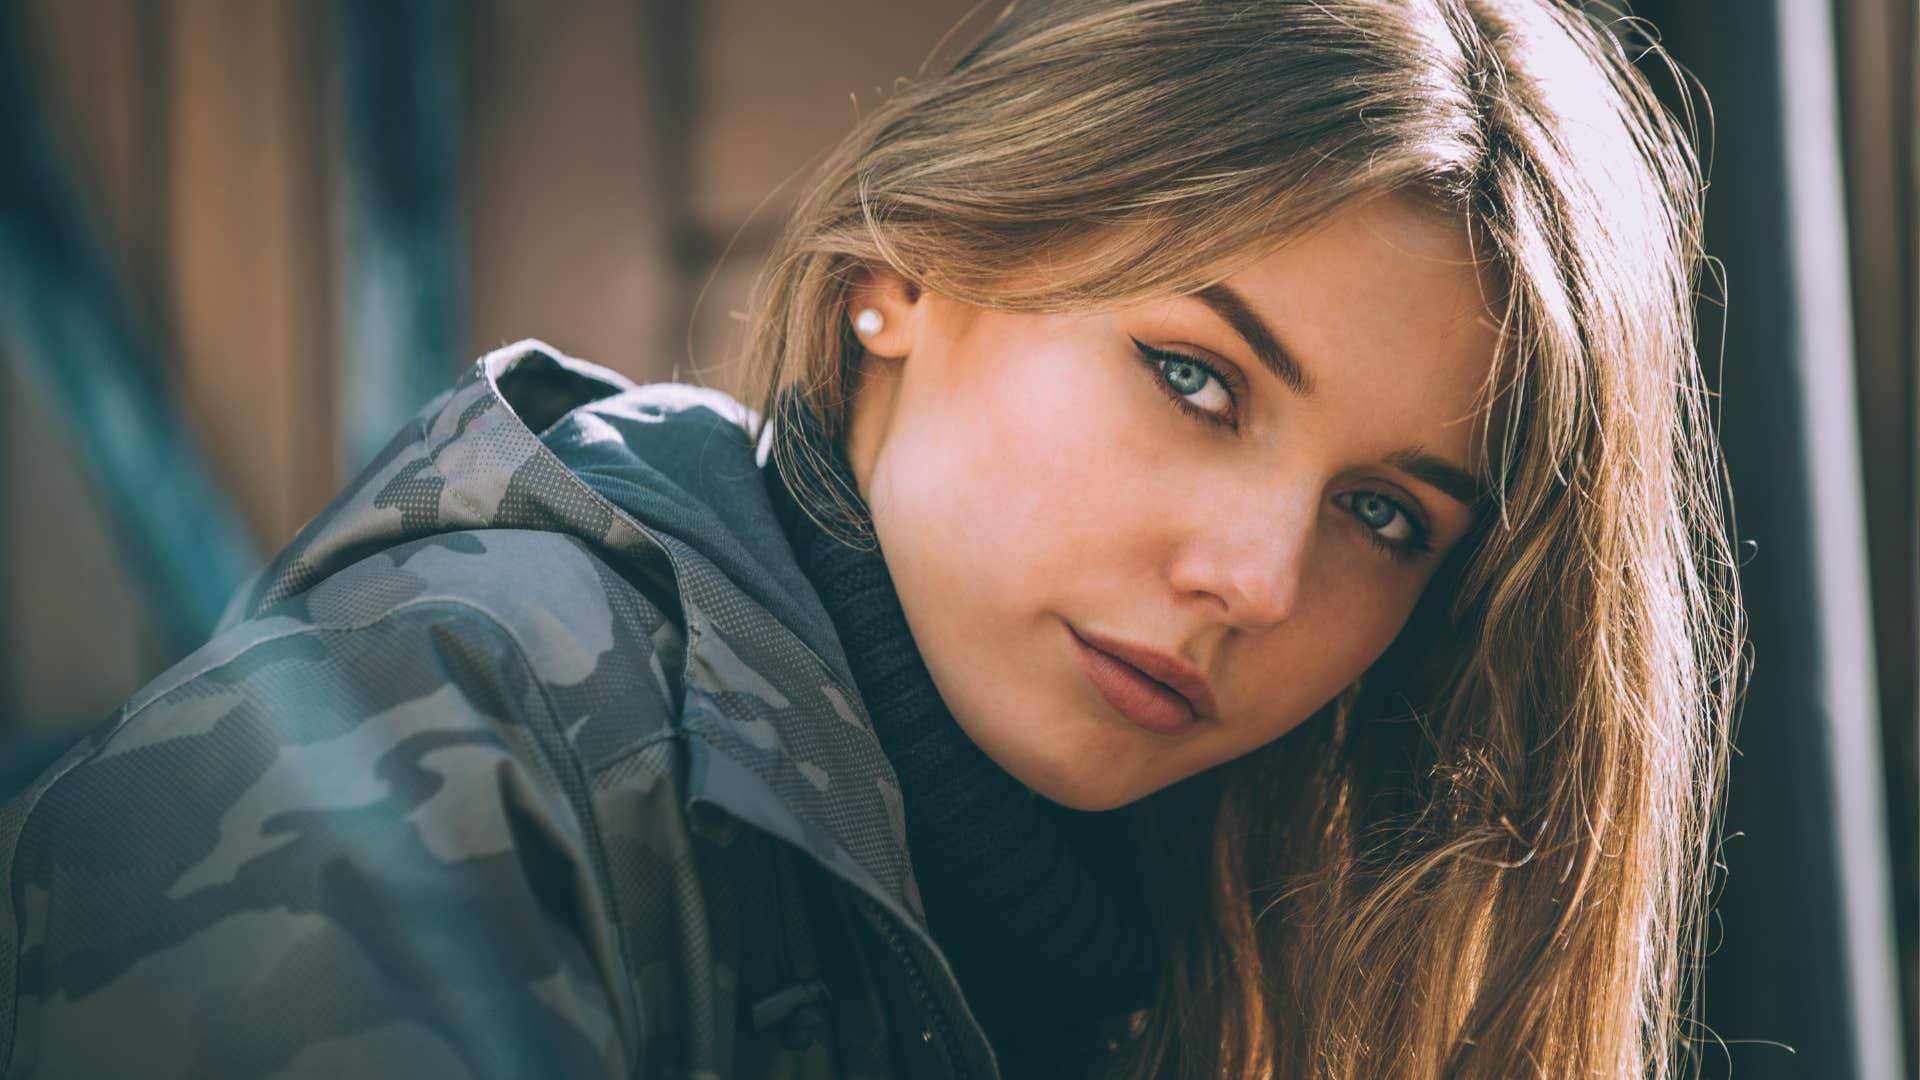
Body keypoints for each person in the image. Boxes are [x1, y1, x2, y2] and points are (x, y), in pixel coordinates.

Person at [0, 0, 1743, 1077]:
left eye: (1383, 514)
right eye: (1196, 380)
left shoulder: (1217, 932)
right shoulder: (440, 766)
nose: (1259, 580)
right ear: (897, 277)